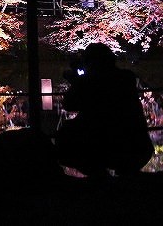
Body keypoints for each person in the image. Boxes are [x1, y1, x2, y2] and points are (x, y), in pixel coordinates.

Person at [55, 42, 153, 177]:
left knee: (66, 133)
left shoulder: (90, 82)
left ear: (89, 63)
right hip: (138, 148)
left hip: (103, 147)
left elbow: (69, 104)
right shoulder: (126, 77)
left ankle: (99, 176)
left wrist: (78, 81)